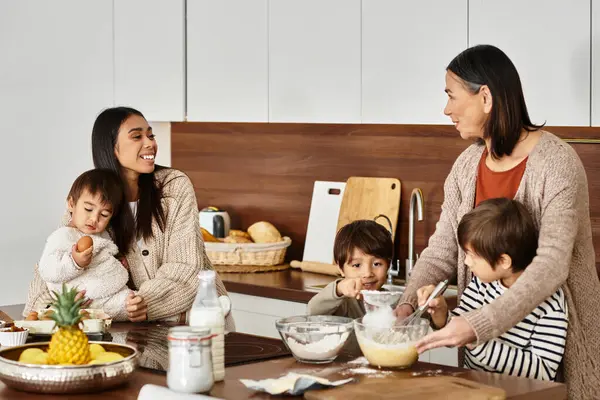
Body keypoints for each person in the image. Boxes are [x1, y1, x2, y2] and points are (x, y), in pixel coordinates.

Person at [394, 44, 600, 398]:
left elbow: (552, 265)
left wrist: (477, 325)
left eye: (452, 96)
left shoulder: (557, 164)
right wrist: (407, 305)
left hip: (553, 347)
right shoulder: (465, 166)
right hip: (487, 359)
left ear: (485, 97)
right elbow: (444, 247)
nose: (446, 109)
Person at [25, 107, 234, 330]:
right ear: (111, 147)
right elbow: (50, 267)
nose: (150, 144)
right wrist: (54, 308)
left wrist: (142, 304)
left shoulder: (174, 186)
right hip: (133, 333)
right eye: (137, 136)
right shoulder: (91, 196)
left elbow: (185, 267)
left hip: (196, 323)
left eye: (151, 135)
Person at [418, 198, 567, 381]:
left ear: (504, 261)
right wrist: (441, 315)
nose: (466, 262)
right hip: (477, 389)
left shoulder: (550, 303)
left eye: (472, 256)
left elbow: (542, 371)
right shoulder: (482, 283)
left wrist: (474, 339)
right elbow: (459, 327)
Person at [38, 169, 133, 320]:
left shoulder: (101, 235)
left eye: (104, 215)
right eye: (88, 209)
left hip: (108, 293)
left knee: (135, 302)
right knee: (123, 305)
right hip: (83, 301)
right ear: (71, 204)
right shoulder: (62, 236)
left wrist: (118, 262)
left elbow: (104, 257)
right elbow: (47, 270)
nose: (94, 219)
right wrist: (74, 262)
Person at [307, 219, 393, 318]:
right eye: (357, 265)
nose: (368, 273)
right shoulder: (343, 303)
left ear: (388, 264)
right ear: (341, 268)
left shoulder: (393, 302)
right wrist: (339, 289)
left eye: (377, 264)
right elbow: (313, 311)